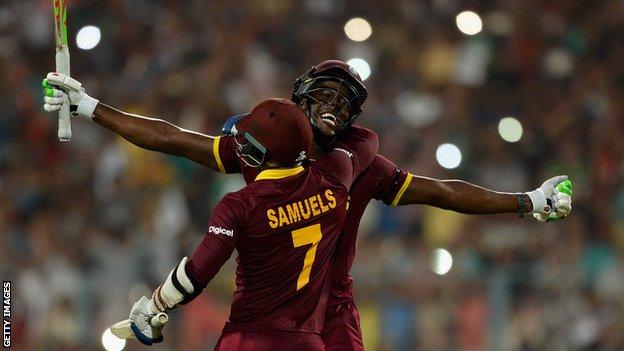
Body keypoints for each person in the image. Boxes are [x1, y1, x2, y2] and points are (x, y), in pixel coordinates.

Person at [43, 61, 572, 350]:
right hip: (299, 319)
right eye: (325, 95)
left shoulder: (298, 153)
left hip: (320, 315)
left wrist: (523, 203)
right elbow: (174, 138)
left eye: (344, 103)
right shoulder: (343, 156)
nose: (334, 107)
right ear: (299, 100)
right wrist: (91, 108)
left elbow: (439, 191)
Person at [102, 97, 377, 349]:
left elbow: (197, 273)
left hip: (250, 338)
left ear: (260, 153)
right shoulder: (336, 180)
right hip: (307, 341)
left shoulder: (240, 204)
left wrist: (154, 306)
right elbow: (366, 138)